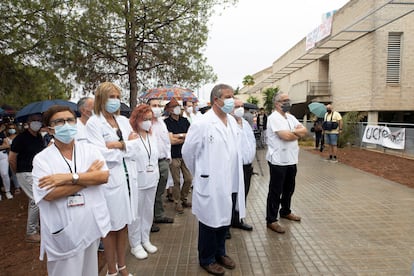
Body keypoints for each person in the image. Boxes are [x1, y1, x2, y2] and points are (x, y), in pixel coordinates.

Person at [32, 105, 111, 276]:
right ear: (49, 129)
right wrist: (88, 177)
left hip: (90, 226)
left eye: (70, 120)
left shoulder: (89, 150)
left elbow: (103, 176)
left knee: (90, 271)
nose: (66, 124)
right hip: (64, 230)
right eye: (59, 121)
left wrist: (68, 178)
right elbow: (49, 194)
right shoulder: (42, 159)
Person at [182, 84, 245, 276]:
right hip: (210, 180)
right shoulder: (202, 123)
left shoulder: (232, 122)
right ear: (216, 100)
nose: (231, 101)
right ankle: (207, 258)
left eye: (232, 96)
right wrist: (201, 172)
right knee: (210, 221)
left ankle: (220, 253)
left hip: (230, 180)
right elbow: (188, 152)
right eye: (227, 97)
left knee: (224, 219)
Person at [85, 82, 135, 276]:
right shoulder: (94, 123)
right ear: (101, 99)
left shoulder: (122, 121)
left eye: (117, 96)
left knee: (123, 226)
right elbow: (100, 154)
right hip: (109, 181)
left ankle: (123, 266)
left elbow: (135, 146)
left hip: (127, 178)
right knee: (110, 228)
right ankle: (111, 270)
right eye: (111, 97)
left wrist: (117, 145)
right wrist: (125, 147)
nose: (115, 101)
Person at [265, 92, 307, 234]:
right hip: (278, 160)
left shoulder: (290, 117)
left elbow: (304, 130)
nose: (288, 102)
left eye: (288, 99)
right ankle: (271, 219)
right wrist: (295, 133)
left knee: (289, 188)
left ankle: (285, 211)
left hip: (291, 158)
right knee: (276, 190)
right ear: (277, 103)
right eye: (285, 100)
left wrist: (293, 132)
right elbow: (286, 136)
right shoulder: (274, 118)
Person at [128, 104, 160, 260]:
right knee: (136, 214)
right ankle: (135, 244)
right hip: (138, 180)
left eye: (150, 119)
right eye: (144, 119)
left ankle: (145, 239)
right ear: (137, 120)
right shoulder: (132, 136)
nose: (148, 122)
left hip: (152, 179)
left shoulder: (151, 136)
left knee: (148, 211)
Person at [9, 113, 45, 243]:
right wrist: (18, 173)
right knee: (36, 199)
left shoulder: (39, 137)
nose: (37, 123)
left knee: (40, 198)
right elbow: (12, 158)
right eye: (34, 120)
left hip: (37, 172)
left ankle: (38, 227)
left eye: (39, 120)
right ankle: (31, 232)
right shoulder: (21, 138)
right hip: (24, 172)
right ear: (28, 123)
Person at [147, 98, 174, 226]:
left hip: (163, 161)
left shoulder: (162, 123)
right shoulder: (145, 123)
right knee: (150, 191)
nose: (157, 108)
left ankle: (158, 215)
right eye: (154, 105)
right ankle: (148, 220)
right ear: (148, 107)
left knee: (160, 191)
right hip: (150, 163)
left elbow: (166, 141)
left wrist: (168, 156)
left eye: (158, 105)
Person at [164, 98, 193, 214]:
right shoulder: (166, 123)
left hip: (185, 154)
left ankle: (184, 198)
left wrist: (178, 136)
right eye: (174, 107)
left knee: (188, 179)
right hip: (174, 155)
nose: (177, 108)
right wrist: (183, 137)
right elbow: (171, 140)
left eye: (178, 106)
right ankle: (178, 202)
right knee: (176, 181)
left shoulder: (185, 121)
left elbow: (191, 136)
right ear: (170, 110)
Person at [230, 98, 255, 232]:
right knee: (231, 195)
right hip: (233, 166)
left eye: (241, 106)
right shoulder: (228, 123)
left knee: (243, 193)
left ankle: (238, 219)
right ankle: (226, 224)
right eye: (236, 106)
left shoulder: (245, 123)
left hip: (247, 165)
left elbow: (250, 142)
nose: (240, 109)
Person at [0, 122, 13, 199]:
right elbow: (4, 145)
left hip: (3, 155)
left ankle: (7, 191)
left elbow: (7, 145)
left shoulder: (1, 134)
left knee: (4, 174)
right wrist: (2, 146)